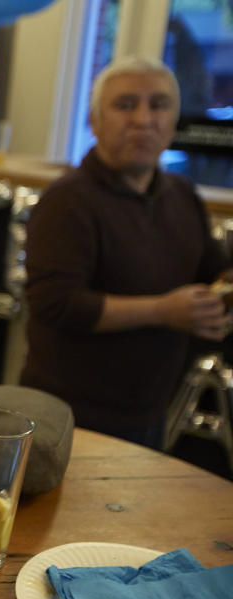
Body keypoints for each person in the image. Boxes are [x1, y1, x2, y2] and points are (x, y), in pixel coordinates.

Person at [20, 56, 232, 448]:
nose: (143, 119)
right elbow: (58, 305)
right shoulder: (68, 200)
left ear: (173, 122)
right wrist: (163, 311)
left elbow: (215, 272)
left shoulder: (182, 195)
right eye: (125, 105)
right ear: (95, 122)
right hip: (67, 419)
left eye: (158, 104)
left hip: (150, 412)